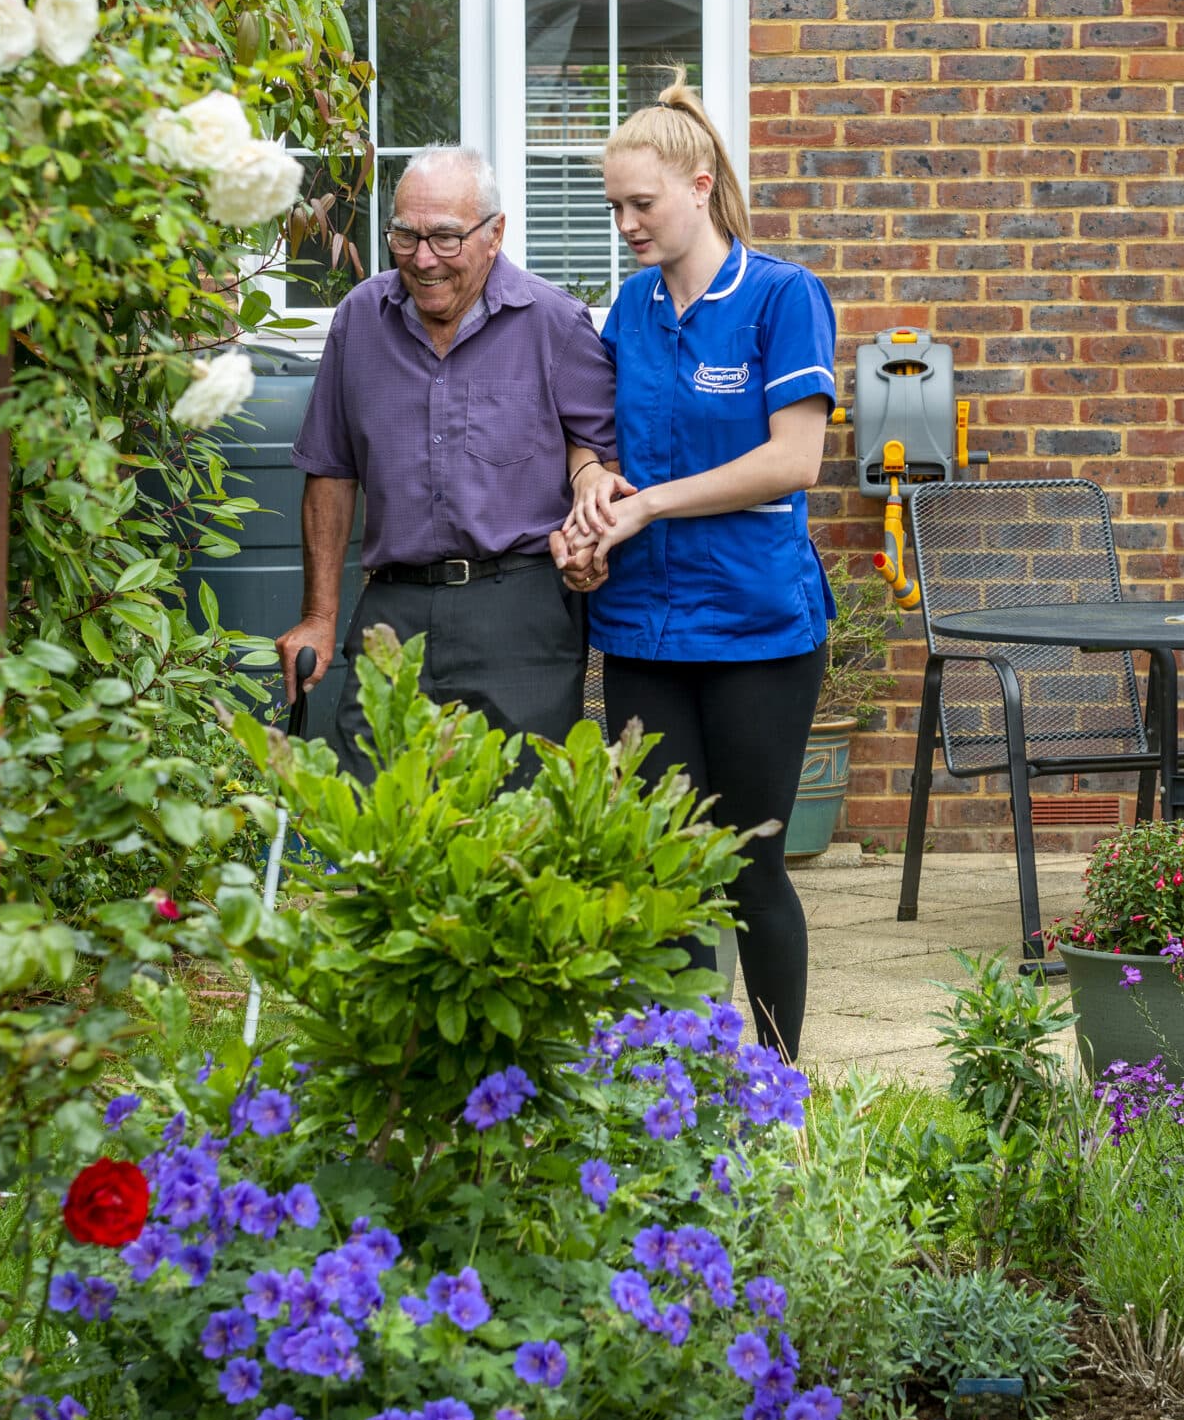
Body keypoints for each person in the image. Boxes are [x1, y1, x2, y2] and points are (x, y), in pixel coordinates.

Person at [550, 81, 838, 1060]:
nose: (625, 225)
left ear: (700, 186)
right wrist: (591, 489)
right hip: (641, 630)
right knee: (666, 871)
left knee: (752, 863)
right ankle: (681, 1100)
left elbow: (792, 461)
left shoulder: (780, 297)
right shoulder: (626, 311)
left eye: (642, 204)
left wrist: (645, 505)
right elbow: (588, 438)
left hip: (759, 629)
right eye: (614, 209)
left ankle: (774, 1087)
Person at [279, 144, 622, 779]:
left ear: (495, 235)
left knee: (523, 829)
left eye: (443, 237)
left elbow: (604, 461)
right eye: (404, 236)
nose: (423, 259)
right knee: (375, 828)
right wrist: (320, 618)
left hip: (521, 611)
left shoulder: (555, 325)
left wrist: (589, 542)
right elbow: (330, 473)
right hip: (394, 610)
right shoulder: (360, 320)